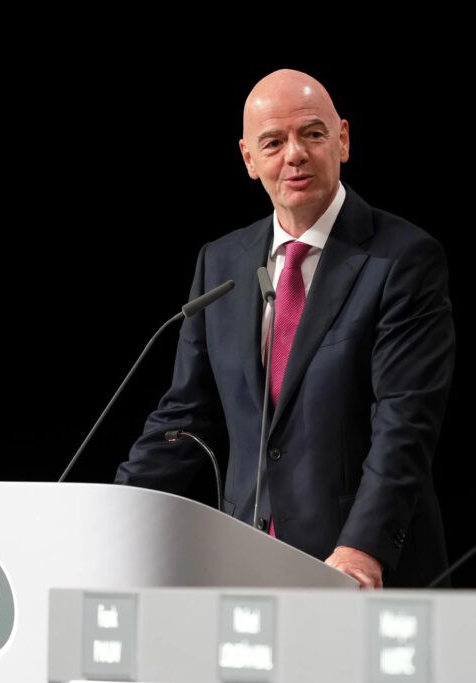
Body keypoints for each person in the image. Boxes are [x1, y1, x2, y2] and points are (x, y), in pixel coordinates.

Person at [115, 69, 455, 589]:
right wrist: (112, 511)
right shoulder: (221, 263)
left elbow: (404, 422)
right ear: (249, 159)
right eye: (273, 142)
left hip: (357, 573)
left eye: (312, 134)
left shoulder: (403, 260)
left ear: (342, 139)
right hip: (246, 569)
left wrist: (362, 547)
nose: (294, 154)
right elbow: (184, 418)